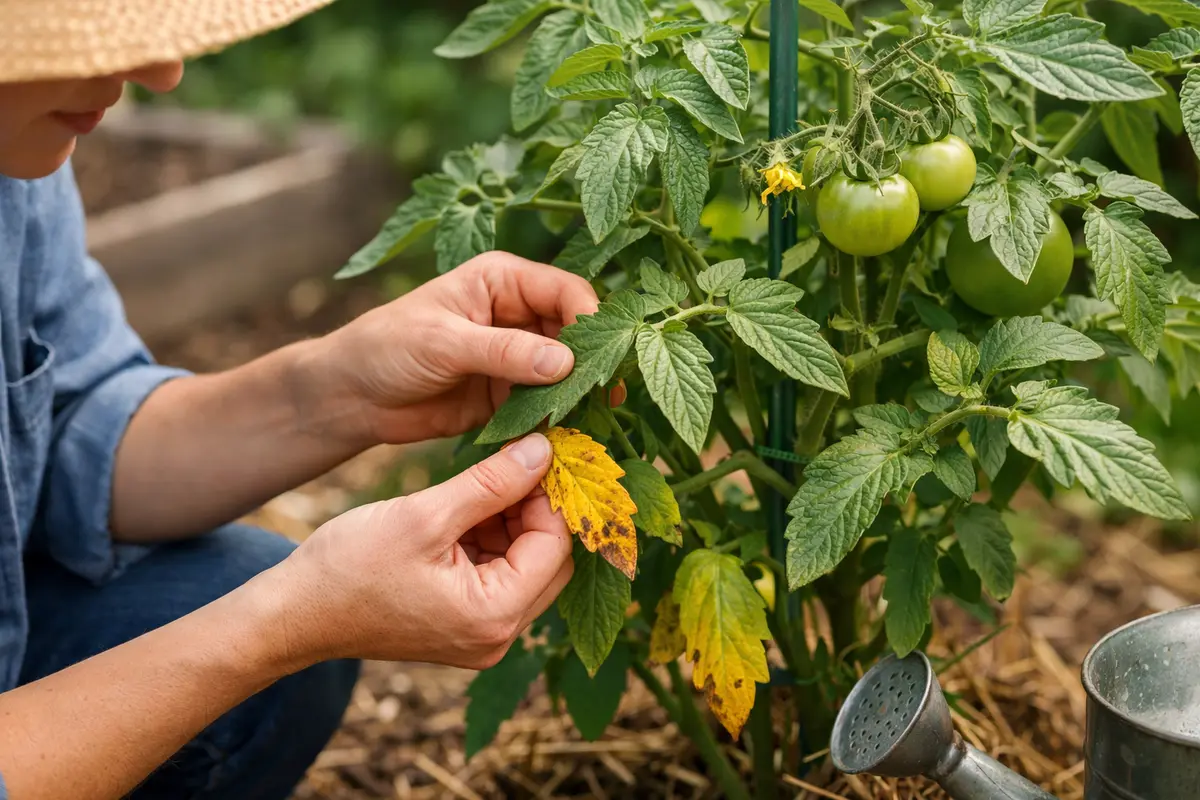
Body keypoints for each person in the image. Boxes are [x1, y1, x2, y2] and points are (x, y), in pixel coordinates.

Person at [0, 2, 599, 798]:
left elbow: (70, 428)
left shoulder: (18, 160)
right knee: (256, 621)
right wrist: (283, 624)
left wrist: (339, 390)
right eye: (70, 36)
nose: (161, 72)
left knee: (235, 596)